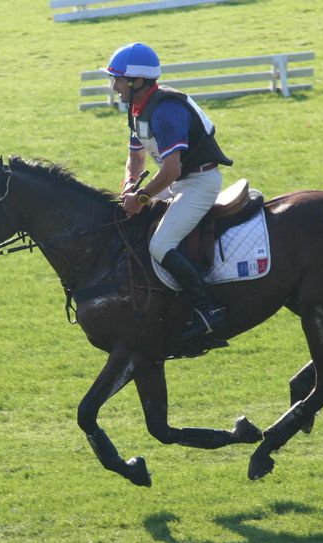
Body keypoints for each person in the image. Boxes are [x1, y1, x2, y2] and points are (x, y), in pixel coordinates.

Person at [104, 42, 234, 339]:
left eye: (118, 80)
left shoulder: (166, 111)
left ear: (136, 82)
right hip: (175, 181)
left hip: (198, 183)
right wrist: (129, 187)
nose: (114, 87)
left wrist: (143, 198)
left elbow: (172, 169)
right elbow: (135, 158)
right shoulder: (137, 109)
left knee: (161, 245)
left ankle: (208, 309)